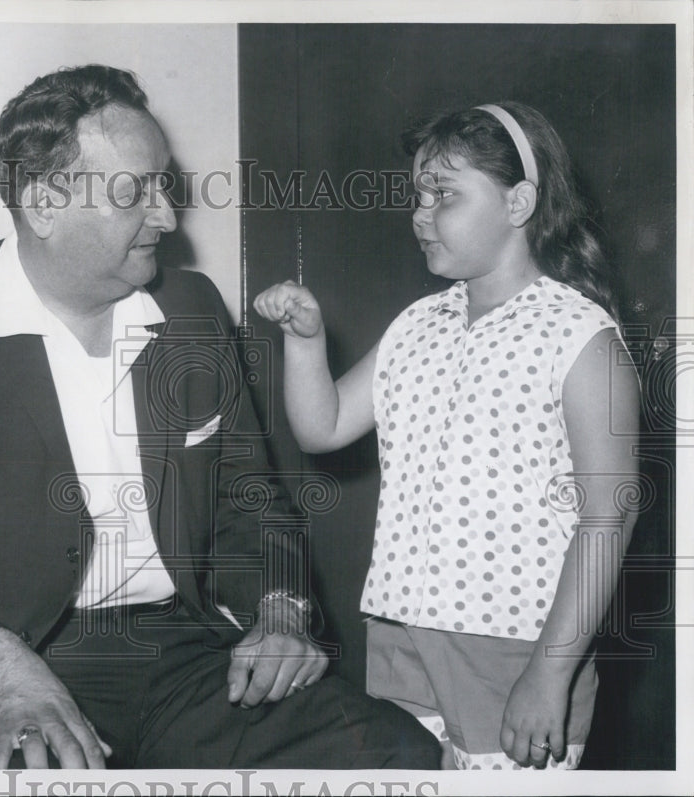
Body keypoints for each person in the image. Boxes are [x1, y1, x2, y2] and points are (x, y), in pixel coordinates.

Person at [0, 64, 438, 770]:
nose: (167, 215)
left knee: (394, 754)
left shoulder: (192, 310)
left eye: (166, 184)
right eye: (137, 192)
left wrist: (281, 605)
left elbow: (251, 500)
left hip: (185, 659)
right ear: (44, 203)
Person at [254, 101, 640, 770]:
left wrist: (551, 673)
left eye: (445, 195)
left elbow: (609, 515)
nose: (419, 213)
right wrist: (306, 342)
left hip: (516, 647)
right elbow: (322, 427)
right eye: (416, 195)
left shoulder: (579, 337)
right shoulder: (418, 324)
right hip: (402, 630)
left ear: (519, 203)